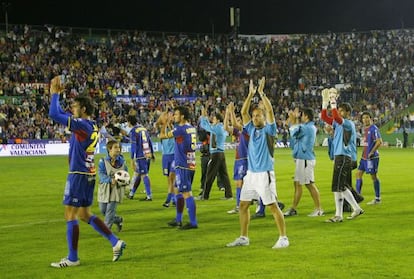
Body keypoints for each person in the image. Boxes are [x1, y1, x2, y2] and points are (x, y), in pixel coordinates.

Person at [48, 76, 126, 268]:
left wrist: (55, 93)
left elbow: (53, 114)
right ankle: (115, 242)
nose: (72, 108)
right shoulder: (92, 125)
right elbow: (58, 113)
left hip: (79, 174)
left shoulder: (82, 125)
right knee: (84, 214)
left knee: (70, 214)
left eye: (75, 106)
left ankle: (73, 258)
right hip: (88, 174)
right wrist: (56, 94)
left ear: (83, 109)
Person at [226, 77, 289, 249]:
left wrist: (261, 94)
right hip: (251, 174)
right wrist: (250, 94)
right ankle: (244, 237)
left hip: (265, 173)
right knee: (243, 205)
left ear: (263, 118)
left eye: (258, 116)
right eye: (254, 116)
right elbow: (244, 113)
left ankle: (283, 238)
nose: (255, 118)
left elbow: (269, 110)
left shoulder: (270, 129)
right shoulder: (251, 129)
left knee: (272, 206)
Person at [321, 88, 364, 222]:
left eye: (342, 111)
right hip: (340, 156)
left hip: (344, 157)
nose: (339, 113)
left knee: (338, 186)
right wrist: (324, 102)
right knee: (341, 186)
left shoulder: (348, 123)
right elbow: (324, 117)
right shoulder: (339, 123)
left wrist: (333, 101)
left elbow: (336, 118)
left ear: (348, 113)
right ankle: (353, 209)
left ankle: (340, 214)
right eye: (338, 110)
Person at [159, 106, 198, 230]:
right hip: (190, 163)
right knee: (177, 189)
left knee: (187, 193)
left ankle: (193, 222)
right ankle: (178, 219)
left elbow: (163, 136)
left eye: (175, 114)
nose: (174, 116)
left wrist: (165, 122)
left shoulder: (180, 129)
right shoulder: (191, 128)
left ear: (182, 116)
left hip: (183, 165)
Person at [284, 107, 324, 217]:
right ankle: (293, 208)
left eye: (302, 115)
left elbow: (293, 131)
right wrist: (293, 120)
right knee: (297, 184)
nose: (301, 117)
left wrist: (293, 120)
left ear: (306, 116)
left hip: (305, 159)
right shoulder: (307, 127)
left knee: (309, 184)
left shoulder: (308, 127)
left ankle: (319, 209)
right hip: (302, 158)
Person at [199, 107, 233, 200]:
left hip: (215, 154)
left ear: (218, 120)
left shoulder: (217, 128)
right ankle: (228, 195)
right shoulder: (222, 128)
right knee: (224, 175)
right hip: (221, 153)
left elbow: (205, 126)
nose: (212, 120)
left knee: (209, 175)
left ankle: (205, 196)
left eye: (213, 119)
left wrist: (203, 116)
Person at [223, 102, 249, 214]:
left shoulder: (246, 130)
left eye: (239, 121)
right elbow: (225, 127)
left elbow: (233, 123)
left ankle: (239, 205)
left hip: (244, 159)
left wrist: (231, 111)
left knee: (240, 183)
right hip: (238, 159)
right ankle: (244, 203)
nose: (236, 123)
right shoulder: (238, 133)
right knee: (240, 183)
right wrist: (227, 114)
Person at [97, 140, 128, 232]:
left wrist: (123, 180)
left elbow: (126, 174)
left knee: (110, 210)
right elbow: (101, 174)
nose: (118, 149)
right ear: (109, 149)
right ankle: (118, 220)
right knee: (103, 210)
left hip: (116, 189)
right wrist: (110, 180)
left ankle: (106, 231)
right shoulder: (103, 161)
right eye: (115, 147)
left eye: (118, 147)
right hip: (105, 188)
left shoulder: (122, 161)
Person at [356, 111, 383, 205]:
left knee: (373, 177)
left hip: (372, 158)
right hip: (364, 158)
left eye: (367, 117)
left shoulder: (373, 128)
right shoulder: (365, 129)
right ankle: (357, 197)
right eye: (363, 118)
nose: (365, 119)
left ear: (371, 119)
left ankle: (378, 198)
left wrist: (371, 152)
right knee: (358, 174)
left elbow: (379, 141)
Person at [127, 115, 155, 201]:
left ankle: (149, 195)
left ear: (129, 122)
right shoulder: (143, 129)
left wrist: (132, 159)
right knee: (139, 174)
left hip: (141, 156)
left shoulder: (133, 131)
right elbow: (149, 141)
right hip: (148, 154)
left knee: (144, 175)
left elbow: (133, 146)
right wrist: (152, 153)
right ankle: (131, 193)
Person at [156, 110, 176, 207]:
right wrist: (165, 123)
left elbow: (173, 131)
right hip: (165, 157)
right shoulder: (161, 130)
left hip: (173, 156)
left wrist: (168, 122)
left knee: (173, 177)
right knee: (169, 179)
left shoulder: (173, 129)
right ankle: (173, 199)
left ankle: (169, 199)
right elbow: (162, 135)